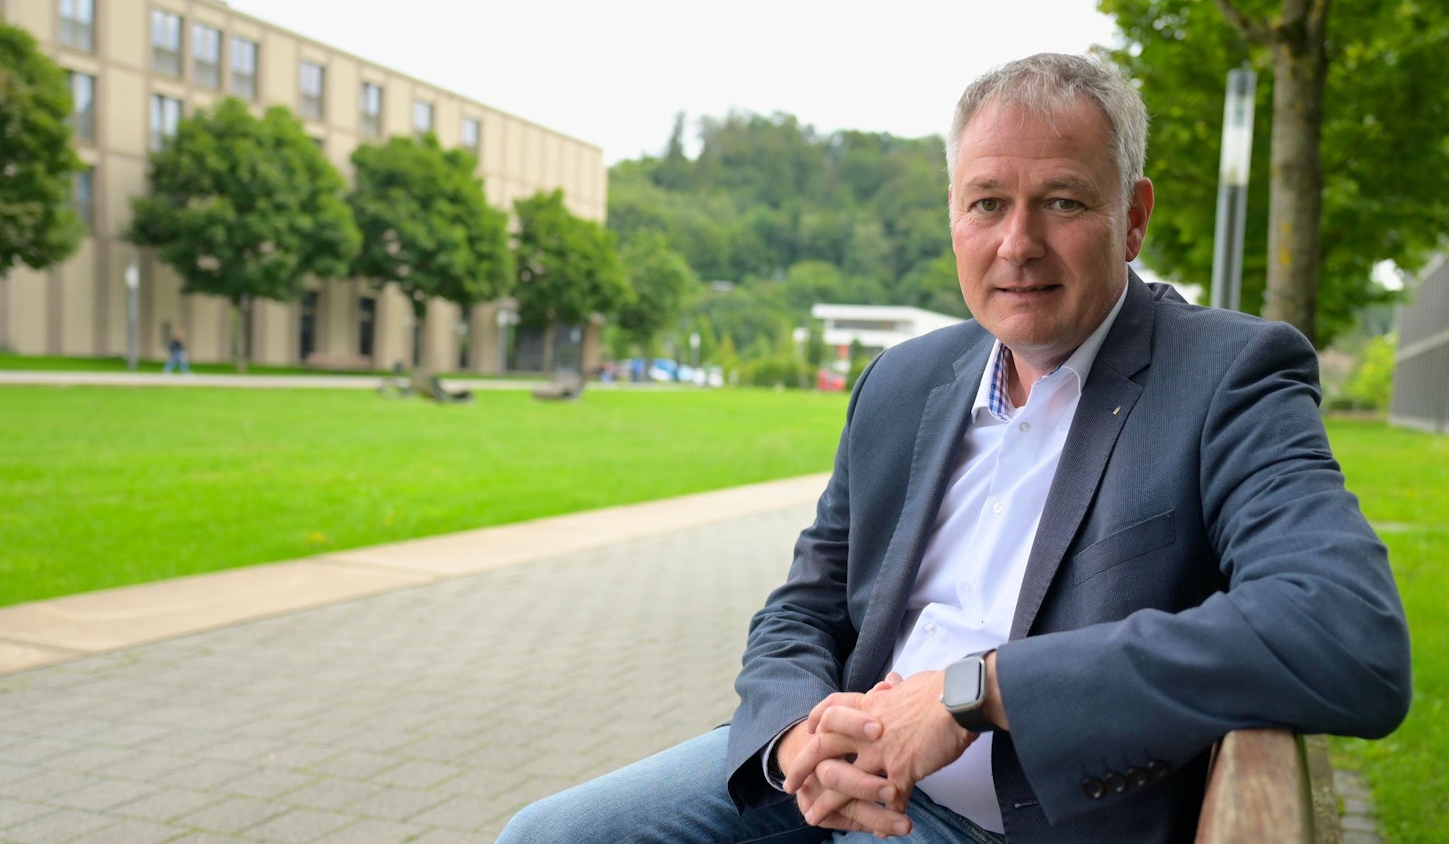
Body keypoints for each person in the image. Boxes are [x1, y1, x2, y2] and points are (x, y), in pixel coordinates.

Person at [497, 52, 1411, 843]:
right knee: (544, 834)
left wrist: (978, 689)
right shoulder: (903, 381)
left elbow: (1346, 634)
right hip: (847, 777)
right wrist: (790, 740)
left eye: (1060, 201)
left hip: (1025, 821)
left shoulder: (1225, 374)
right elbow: (802, 609)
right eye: (986, 204)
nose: (1017, 244)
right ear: (951, 214)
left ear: (1131, 219)